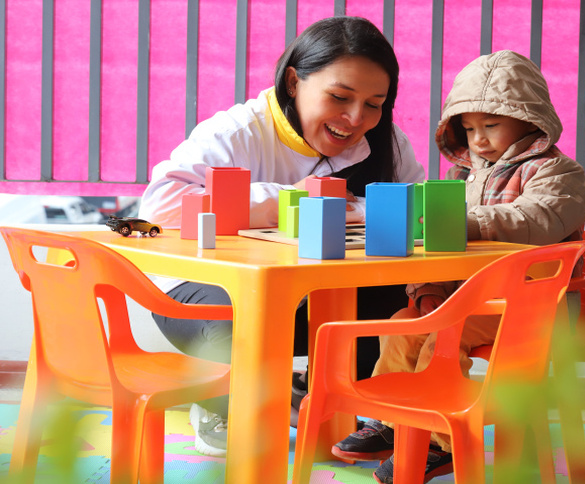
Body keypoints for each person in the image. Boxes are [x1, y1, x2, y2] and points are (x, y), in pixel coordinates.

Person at [138, 16, 426, 457]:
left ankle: (321, 393)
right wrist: (287, 200)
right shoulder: (237, 132)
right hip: (204, 292)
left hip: (310, 289)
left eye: (375, 103)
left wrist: (352, 209)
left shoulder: (385, 142)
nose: (355, 119)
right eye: (339, 97)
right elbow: (160, 206)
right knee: (235, 334)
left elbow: (418, 212)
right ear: (293, 81)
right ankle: (221, 402)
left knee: (397, 306)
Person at [330, 50, 585, 483]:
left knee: (441, 339)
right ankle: (391, 423)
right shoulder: (461, 179)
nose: (479, 140)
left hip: (531, 304)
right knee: (401, 323)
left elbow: (537, 220)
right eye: (468, 129)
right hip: (466, 297)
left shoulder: (558, 173)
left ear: (530, 120)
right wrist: (426, 288)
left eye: (491, 125)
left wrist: (465, 222)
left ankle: (439, 443)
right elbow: (438, 247)